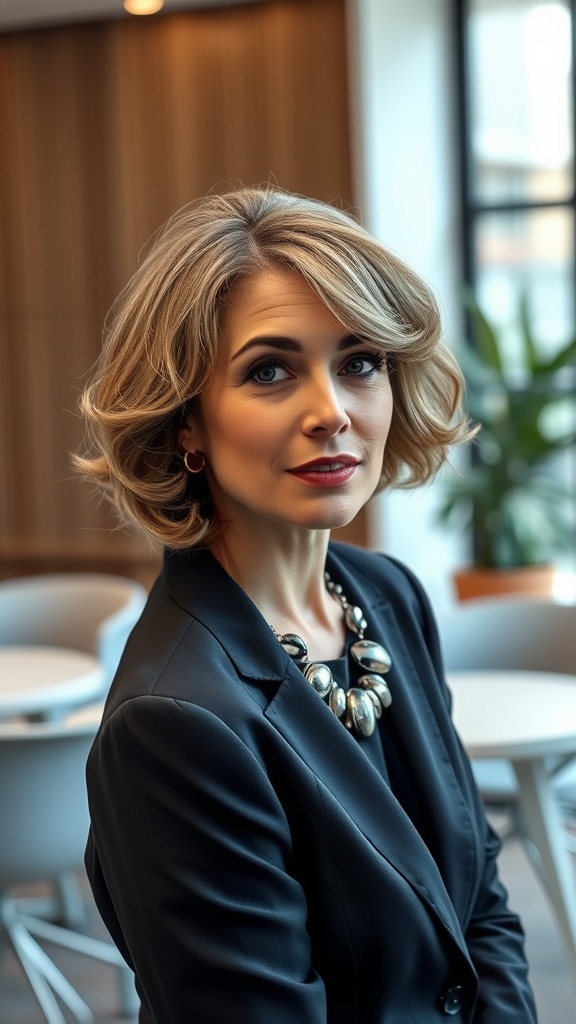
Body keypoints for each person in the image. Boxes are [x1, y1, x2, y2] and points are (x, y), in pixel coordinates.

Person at [76, 185, 538, 1024]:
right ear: (187, 422)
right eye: (269, 370)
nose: (332, 412)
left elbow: (479, 903)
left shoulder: (386, 597)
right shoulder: (174, 720)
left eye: (360, 361)